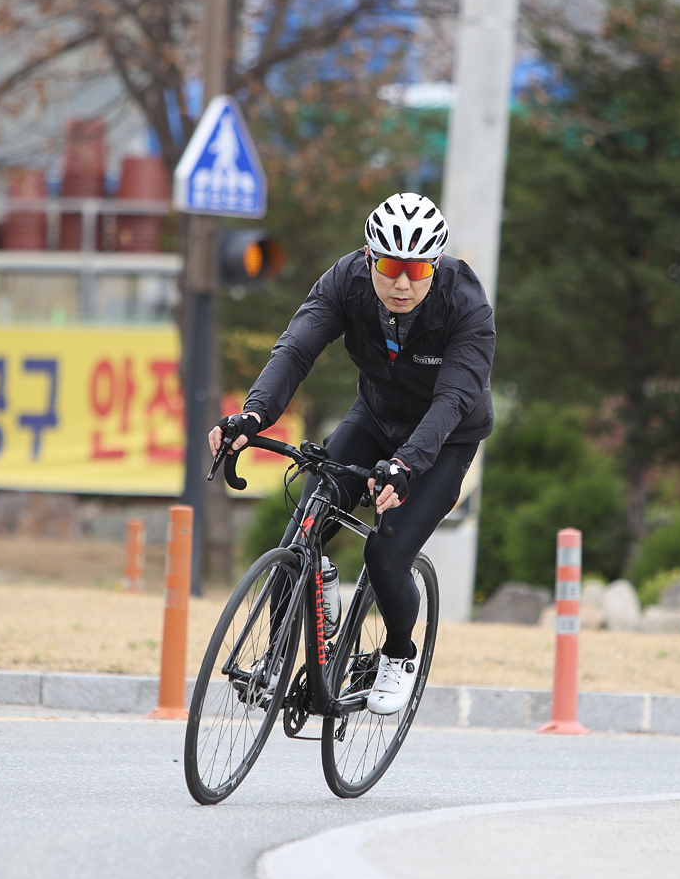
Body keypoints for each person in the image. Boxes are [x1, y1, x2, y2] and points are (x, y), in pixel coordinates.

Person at [208, 191, 494, 717]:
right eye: (389, 266)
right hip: (375, 418)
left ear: (435, 265)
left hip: (444, 440)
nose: (402, 284)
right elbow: (296, 348)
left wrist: (406, 464)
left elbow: (454, 400)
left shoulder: (466, 303)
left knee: (385, 556)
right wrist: (252, 416)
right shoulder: (346, 281)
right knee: (303, 530)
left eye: (416, 270)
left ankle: (400, 654)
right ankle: (276, 656)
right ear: (368, 257)